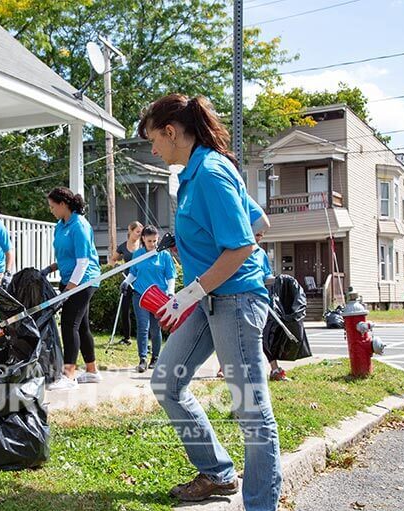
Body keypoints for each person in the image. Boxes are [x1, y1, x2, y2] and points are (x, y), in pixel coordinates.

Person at [139, 94, 282, 509]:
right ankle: (218, 473)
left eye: (154, 140)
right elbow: (259, 222)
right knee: (167, 381)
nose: (153, 149)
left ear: (171, 132)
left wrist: (191, 291)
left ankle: (261, 505)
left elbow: (240, 246)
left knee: (251, 410)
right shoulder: (195, 173)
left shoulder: (213, 173)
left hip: (234, 302)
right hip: (210, 300)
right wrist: (195, 253)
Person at [41, 187, 102, 390]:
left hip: (84, 281)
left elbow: (83, 261)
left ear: (64, 204)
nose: (51, 210)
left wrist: (69, 289)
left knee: (69, 324)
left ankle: (69, 375)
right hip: (70, 279)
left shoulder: (80, 225)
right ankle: (92, 372)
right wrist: (51, 267)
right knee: (81, 325)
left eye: (52, 206)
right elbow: (66, 255)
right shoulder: (61, 225)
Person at [120, 225, 175, 373]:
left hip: (158, 297)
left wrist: (170, 293)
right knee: (143, 328)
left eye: (155, 241)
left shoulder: (164, 255)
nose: (153, 244)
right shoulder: (138, 254)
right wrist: (126, 282)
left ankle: (155, 358)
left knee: (155, 329)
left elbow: (170, 277)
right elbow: (133, 273)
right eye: (150, 241)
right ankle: (142, 359)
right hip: (140, 295)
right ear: (143, 239)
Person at [111, 221, 143, 345]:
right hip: (127, 280)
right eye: (138, 232)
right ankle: (127, 338)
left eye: (141, 233)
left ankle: (144, 338)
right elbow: (113, 259)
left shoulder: (142, 246)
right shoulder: (123, 246)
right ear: (130, 230)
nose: (139, 235)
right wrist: (115, 267)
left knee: (141, 310)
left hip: (140, 281)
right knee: (125, 309)